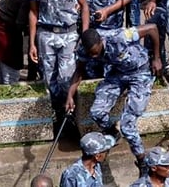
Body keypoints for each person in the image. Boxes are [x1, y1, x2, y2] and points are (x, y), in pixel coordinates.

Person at [67, 25, 162, 175]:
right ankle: (112, 132)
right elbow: (79, 70)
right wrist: (70, 96)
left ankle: (142, 161)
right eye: (89, 53)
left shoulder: (119, 37)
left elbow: (152, 28)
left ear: (101, 42)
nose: (93, 57)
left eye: (94, 52)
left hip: (140, 72)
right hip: (117, 74)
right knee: (97, 112)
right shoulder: (84, 49)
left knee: (128, 125)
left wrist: (156, 58)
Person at [28, 0, 89, 112]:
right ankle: (57, 113)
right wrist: (32, 43)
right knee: (48, 78)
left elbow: (84, 6)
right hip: (45, 35)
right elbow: (33, 12)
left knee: (66, 77)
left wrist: (84, 34)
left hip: (68, 35)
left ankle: (70, 108)